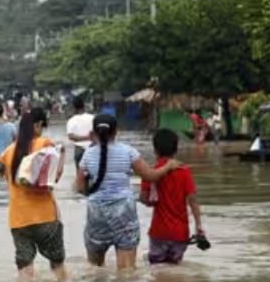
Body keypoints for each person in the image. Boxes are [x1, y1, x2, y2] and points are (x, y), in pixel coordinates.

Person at [76, 114, 181, 270]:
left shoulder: (87, 155)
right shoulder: (128, 152)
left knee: (95, 269)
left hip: (96, 212)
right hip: (123, 212)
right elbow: (150, 176)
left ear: (94, 133)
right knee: (126, 272)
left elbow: (81, 189)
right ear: (116, 131)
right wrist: (167, 167)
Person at [0, 107, 67, 282]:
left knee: (25, 268)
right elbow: (53, 179)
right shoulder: (45, 144)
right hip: (45, 217)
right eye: (42, 126)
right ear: (37, 125)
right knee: (57, 264)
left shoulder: (8, 152)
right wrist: (62, 159)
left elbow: (4, 176)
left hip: (18, 219)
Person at [140, 129, 204, 265]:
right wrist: (198, 225)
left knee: (157, 269)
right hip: (180, 233)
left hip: (159, 231)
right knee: (175, 268)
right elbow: (193, 200)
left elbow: (144, 199)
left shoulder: (151, 172)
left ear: (155, 150)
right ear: (176, 149)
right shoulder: (184, 171)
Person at [64, 96, 94, 166]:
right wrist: (89, 137)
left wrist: (85, 138)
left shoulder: (71, 120)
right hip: (93, 148)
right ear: (84, 106)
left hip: (79, 150)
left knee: (80, 174)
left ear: (73, 107)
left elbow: (71, 136)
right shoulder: (92, 118)